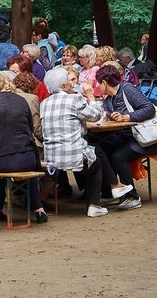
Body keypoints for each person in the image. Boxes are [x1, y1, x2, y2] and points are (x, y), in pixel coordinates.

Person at [41, 68, 121, 218]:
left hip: (51, 157)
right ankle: (94, 205)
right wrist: (91, 96)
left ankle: (41, 203)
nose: (72, 85)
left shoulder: (44, 103)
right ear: (64, 85)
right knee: (96, 163)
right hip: (73, 156)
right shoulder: (73, 99)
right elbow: (96, 115)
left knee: (94, 150)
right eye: (69, 82)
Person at [0, 71, 48, 224]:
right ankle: (39, 210)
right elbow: (31, 128)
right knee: (26, 170)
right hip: (28, 158)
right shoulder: (22, 100)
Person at [88, 65, 157, 211]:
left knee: (117, 156)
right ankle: (110, 192)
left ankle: (132, 197)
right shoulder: (108, 99)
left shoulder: (127, 89)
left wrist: (127, 117)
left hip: (144, 138)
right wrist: (112, 116)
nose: (97, 86)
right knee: (101, 151)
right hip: (125, 136)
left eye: (99, 83)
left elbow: (149, 108)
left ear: (104, 83)